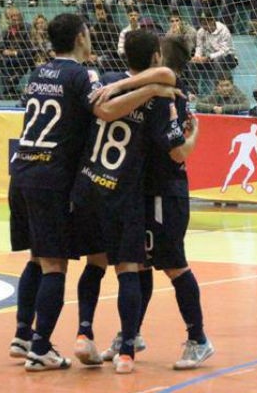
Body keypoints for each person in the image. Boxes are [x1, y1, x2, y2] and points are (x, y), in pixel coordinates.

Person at [7, 13, 178, 372]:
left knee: (38, 258)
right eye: (88, 32)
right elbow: (105, 109)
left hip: (21, 169)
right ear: (81, 37)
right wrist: (152, 91)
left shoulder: (39, 71)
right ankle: (41, 348)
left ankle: (23, 334)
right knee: (57, 264)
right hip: (55, 177)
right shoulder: (82, 75)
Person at [93, 36, 213, 370]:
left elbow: (177, 152)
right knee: (138, 264)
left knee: (174, 264)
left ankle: (199, 338)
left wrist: (193, 138)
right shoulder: (137, 90)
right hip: (139, 191)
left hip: (166, 191)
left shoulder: (167, 95)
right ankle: (131, 335)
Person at [69, 30, 178, 374]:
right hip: (122, 192)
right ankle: (127, 350)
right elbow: (170, 146)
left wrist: (124, 87)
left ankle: (84, 332)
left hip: (88, 184)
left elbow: (103, 110)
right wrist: (155, 93)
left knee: (94, 263)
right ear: (156, 57)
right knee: (128, 269)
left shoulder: (107, 81)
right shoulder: (160, 98)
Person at [187, 11, 238, 95]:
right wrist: (197, 57)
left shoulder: (223, 29)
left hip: (228, 58)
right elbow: (199, 47)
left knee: (218, 60)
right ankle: (193, 92)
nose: (205, 26)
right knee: (192, 63)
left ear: (212, 20)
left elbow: (224, 50)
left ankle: (217, 91)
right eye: (203, 23)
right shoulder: (201, 31)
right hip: (209, 59)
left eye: (207, 22)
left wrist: (208, 57)